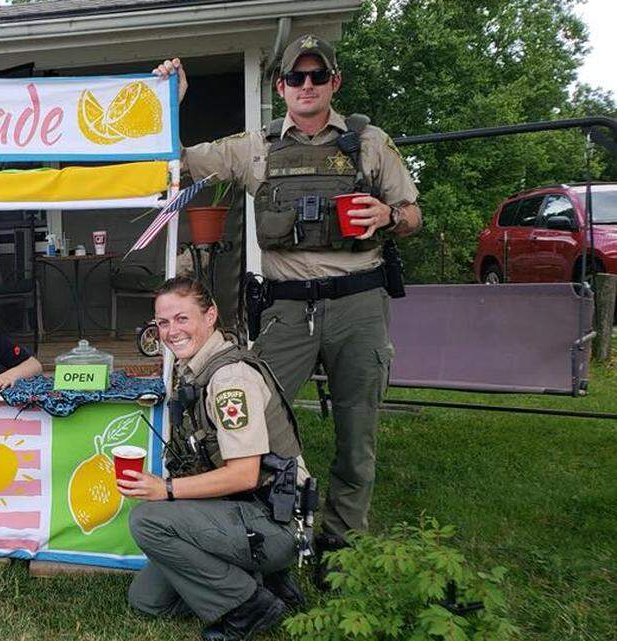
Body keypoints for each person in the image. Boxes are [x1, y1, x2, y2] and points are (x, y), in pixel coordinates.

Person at [153, 34, 423, 572]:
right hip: (286, 309)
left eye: (316, 76)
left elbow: (414, 213)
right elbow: (177, 161)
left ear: (333, 83)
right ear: (280, 87)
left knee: (357, 433)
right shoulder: (257, 146)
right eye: (295, 77)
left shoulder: (369, 143)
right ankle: (263, 528)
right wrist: (170, 103)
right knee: (258, 423)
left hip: (358, 304)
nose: (306, 86)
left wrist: (389, 218)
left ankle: (341, 547)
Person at [119, 277, 309, 641]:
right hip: (238, 509)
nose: (171, 331)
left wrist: (166, 489)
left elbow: (244, 474)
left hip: (274, 516)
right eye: (162, 322)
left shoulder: (229, 379)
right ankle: (263, 579)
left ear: (210, 316)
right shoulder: (192, 367)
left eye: (182, 319)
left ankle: (249, 605)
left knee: (147, 520)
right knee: (147, 601)